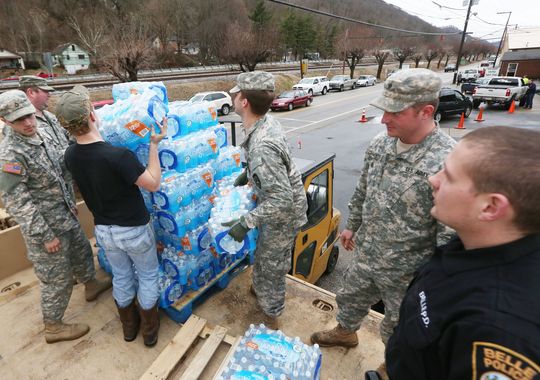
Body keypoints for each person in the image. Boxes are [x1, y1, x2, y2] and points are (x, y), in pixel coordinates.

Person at [311, 69, 456, 364]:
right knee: (350, 296)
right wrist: (352, 226)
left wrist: (434, 282)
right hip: (368, 253)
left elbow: (450, 235)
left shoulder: (449, 160)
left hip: (408, 270)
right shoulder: (380, 144)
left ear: (426, 111)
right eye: (384, 110)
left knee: (399, 324)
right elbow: (364, 188)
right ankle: (345, 332)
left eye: (395, 112)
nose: (385, 118)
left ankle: (394, 364)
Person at [386, 126, 540, 379]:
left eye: (448, 176)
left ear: (490, 207)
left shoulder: (499, 331)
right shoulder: (474, 244)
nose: (433, 180)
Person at [56, 85, 167, 347]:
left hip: (104, 230)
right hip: (134, 229)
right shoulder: (118, 155)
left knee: (122, 275)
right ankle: (149, 332)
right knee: (148, 275)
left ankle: (129, 328)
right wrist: (153, 145)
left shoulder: (70, 155)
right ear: (93, 115)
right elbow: (152, 183)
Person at [0, 90, 111, 344]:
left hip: (65, 214)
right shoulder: (9, 156)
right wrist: (45, 236)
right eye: (19, 120)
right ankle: (53, 326)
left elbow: (61, 160)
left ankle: (90, 285)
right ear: (6, 121)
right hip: (46, 227)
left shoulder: (39, 133)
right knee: (57, 279)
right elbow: (18, 202)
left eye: (29, 115)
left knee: (82, 251)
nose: (28, 123)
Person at [224, 71, 308, 329]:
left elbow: (281, 200)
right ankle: (260, 290)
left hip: (283, 214)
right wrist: (248, 173)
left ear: (244, 102)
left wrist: (246, 221)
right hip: (277, 204)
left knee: (273, 266)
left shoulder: (262, 146)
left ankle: (271, 316)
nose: (233, 97)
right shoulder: (265, 122)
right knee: (264, 254)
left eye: (236, 94)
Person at [18, 75, 70, 152]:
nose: (49, 95)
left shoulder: (49, 116)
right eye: (45, 91)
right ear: (31, 92)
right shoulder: (20, 123)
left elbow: (67, 135)